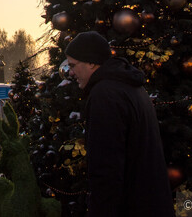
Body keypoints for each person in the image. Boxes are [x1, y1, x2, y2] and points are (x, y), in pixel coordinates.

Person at [65, 31, 175, 217]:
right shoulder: (131, 87)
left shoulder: (105, 95)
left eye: (73, 65)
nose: (70, 72)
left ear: (91, 62)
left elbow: (106, 169)